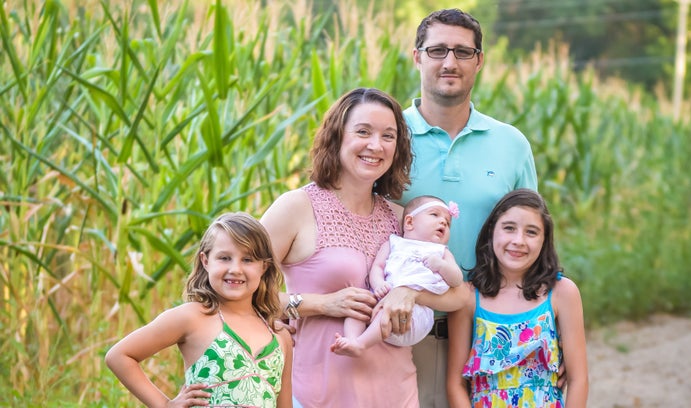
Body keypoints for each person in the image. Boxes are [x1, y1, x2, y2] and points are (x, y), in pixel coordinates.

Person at [260, 87, 469, 408]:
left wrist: (411, 294)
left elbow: (460, 295)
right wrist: (322, 304)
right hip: (315, 394)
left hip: (397, 394)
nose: (376, 145)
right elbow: (239, 294)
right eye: (363, 132)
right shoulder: (296, 207)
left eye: (388, 136)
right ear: (337, 136)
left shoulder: (403, 219)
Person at [397, 8, 539, 408]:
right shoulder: (387, 137)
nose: (449, 62)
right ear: (417, 57)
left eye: (462, 52)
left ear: (479, 61)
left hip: (489, 337)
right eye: (437, 49)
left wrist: (552, 328)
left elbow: (532, 240)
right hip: (400, 333)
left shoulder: (512, 144)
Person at [105, 212, 293, 408]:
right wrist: (165, 404)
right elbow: (119, 356)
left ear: (264, 267)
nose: (236, 269)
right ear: (205, 261)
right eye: (225, 258)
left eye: (247, 260)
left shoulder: (279, 335)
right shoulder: (194, 317)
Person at [446, 189, 588, 407]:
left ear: (544, 239)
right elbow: (455, 384)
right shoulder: (467, 298)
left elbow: (578, 380)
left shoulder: (562, 292)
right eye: (509, 228)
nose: (518, 240)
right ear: (492, 230)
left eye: (531, 232)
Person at [331, 195, 463, 357]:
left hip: (416, 313)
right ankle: (351, 339)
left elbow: (456, 280)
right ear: (409, 222)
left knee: (385, 311)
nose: (443, 222)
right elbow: (378, 267)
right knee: (359, 307)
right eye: (434, 215)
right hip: (385, 298)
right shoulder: (393, 244)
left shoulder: (441, 252)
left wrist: (442, 266)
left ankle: (361, 344)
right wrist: (378, 283)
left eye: (447, 222)